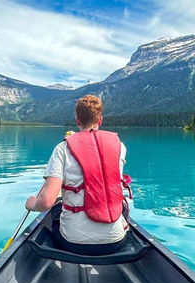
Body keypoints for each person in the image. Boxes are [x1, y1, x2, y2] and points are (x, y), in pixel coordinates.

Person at [25, 95, 129, 256]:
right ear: (100, 120)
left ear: (77, 121)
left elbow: (45, 203)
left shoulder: (63, 148)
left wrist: (33, 204)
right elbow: (95, 156)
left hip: (73, 243)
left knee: (57, 197)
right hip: (116, 241)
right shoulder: (119, 146)